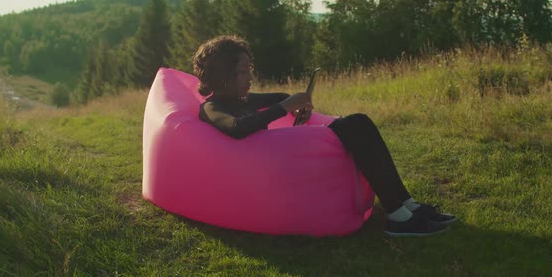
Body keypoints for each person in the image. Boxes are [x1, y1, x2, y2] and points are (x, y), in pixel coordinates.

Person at [195, 35, 456, 237]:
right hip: (268, 172)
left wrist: (295, 101)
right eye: (242, 72)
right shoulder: (213, 107)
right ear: (223, 75)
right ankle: (399, 217)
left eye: (249, 69)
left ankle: (406, 205)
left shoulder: (243, 98)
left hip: (279, 161)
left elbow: (278, 98)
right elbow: (236, 127)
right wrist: (284, 108)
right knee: (355, 127)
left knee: (359, 124)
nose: (250, 77)